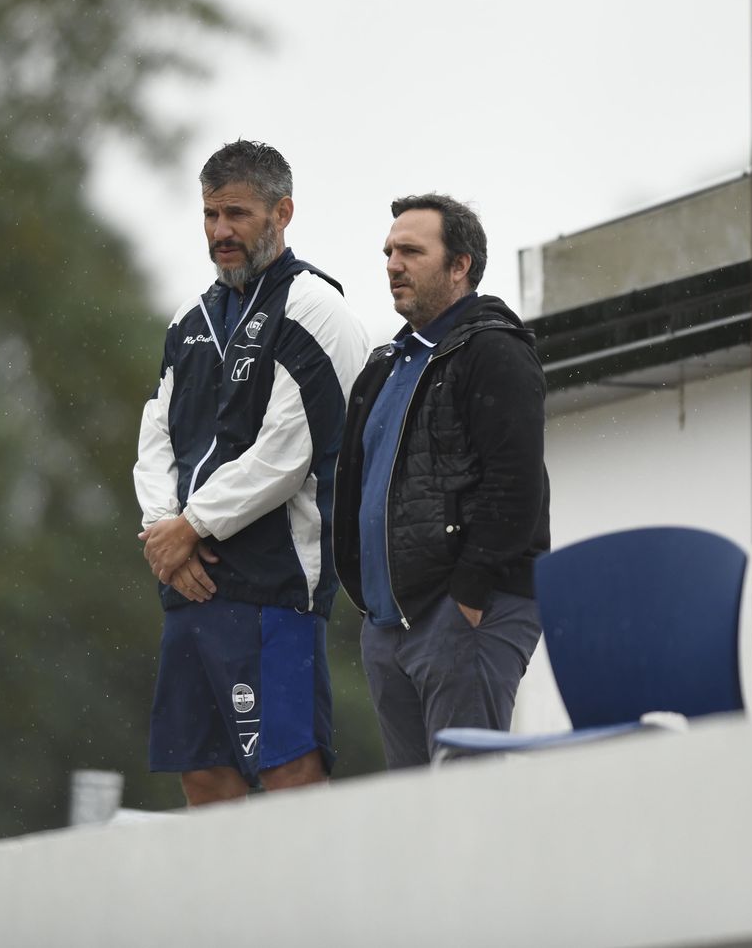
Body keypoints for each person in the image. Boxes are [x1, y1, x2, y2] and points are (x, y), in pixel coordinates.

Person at [134, 140, 368, 805]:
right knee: (203, 770)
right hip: (188, 585)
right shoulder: (188, 321)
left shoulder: (316, 308)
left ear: (282, 212)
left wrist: (192, 524)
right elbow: (155, 436)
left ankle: (306, 910)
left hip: (274, 591)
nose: (219, 232)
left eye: (236, 213)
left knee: (290, 769)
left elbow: (285, 453)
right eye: (209, 214)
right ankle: (223, 911)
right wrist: (163, 535)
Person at [333, 193, 551, 769]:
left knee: (468, 814)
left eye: (410, 250)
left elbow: (516, 484)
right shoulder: (384, 366)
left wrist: (469, 599)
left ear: (461, 266)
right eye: (388, 251)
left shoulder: (494, 350)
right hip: (388, 625)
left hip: (466, 614)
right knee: (416, 822)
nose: (392, 264)